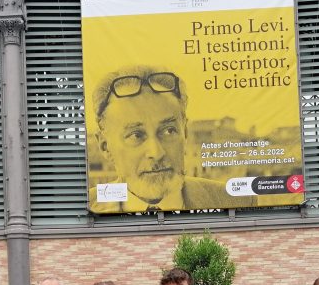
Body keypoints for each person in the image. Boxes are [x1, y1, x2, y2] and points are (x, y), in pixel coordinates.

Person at [88, 66, 250, 214]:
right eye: (136, 135)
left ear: (185, 132)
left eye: (168, 130)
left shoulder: (236, 200)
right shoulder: (86, 207)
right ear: (105, 146)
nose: (156, 152)